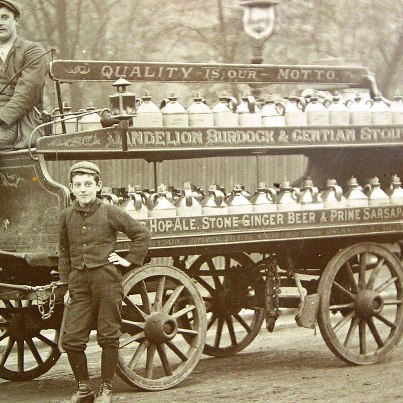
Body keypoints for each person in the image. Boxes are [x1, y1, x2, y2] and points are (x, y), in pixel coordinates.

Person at [58, 161, 151, 403]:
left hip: (106, 281)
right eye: (78, 185)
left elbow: (141, 233)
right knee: (71, 339)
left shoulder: (110, 211)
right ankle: (84, 388)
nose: (83, 189)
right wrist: (66, 285)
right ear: (71, 188)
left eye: (88, 184)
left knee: (108, 336)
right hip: (78, 284)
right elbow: (64, 253)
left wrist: (128, 261)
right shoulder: (66, 216)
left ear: (98, 186)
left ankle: (106, 389)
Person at [0, 0, 48, 150]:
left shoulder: (32, 50)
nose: (0, 23)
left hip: (23, 125)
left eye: (4, 17)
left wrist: (1, 117)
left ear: (16, 20)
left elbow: (26, 95)